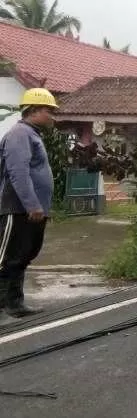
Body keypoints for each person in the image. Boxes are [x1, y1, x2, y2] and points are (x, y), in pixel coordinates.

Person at [0, 88, 57, 326]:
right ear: (32, 110)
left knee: (23, 256)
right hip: (17, 208)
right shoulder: (19, 134)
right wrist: (32, 204)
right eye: (48, 111)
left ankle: (15, 304)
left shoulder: (32, 134)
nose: (52, 116)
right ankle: (4, 306)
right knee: (8, 258)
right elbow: (18, 173)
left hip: (32, 210)